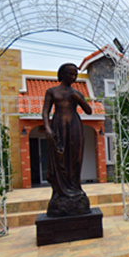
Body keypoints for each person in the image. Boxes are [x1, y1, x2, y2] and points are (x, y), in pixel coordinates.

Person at [42, 63, 93, 217]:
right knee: (60, 158)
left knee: (75, 158)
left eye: (75, 75)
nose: (73, 77)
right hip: (58, 127)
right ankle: (60, 192)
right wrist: (47, 128)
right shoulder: (52, 91)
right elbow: (45, 112)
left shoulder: (76, 93)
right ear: (62, 74)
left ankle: (75, 188)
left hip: (74, 126)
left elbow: (89, 111)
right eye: (70, 74)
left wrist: (79, 99)